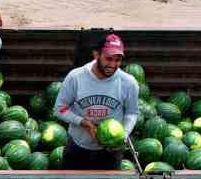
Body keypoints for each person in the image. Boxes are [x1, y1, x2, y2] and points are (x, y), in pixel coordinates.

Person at [54, 33, 140, 170]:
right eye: (108, 59)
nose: (112, 64)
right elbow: (60, 109)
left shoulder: (129, 83)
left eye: (117, 60)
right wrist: (83, 123)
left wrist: (123, 134)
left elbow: (132, 113)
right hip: (78, 147)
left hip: (111, 152)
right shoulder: (76, 77)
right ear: (96, 55)